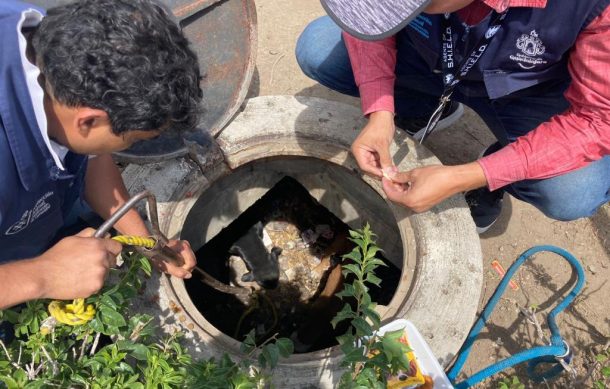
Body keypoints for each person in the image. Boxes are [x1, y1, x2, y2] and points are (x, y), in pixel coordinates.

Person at [296, 0, 610, 233]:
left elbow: (597, 119)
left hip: (525, 90)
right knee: (319, 50)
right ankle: (424, 107)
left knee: (572, 192)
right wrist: (380, 109)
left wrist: (472, 175)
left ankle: (499, 167)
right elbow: (368, 14)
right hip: (431, 59)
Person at [0, 0, 203, 309]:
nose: (126, 149)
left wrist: (149, 242)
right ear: (89, 120)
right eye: (131, 140)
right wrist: (42, 275)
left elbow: (91, 155)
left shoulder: (48, 44)